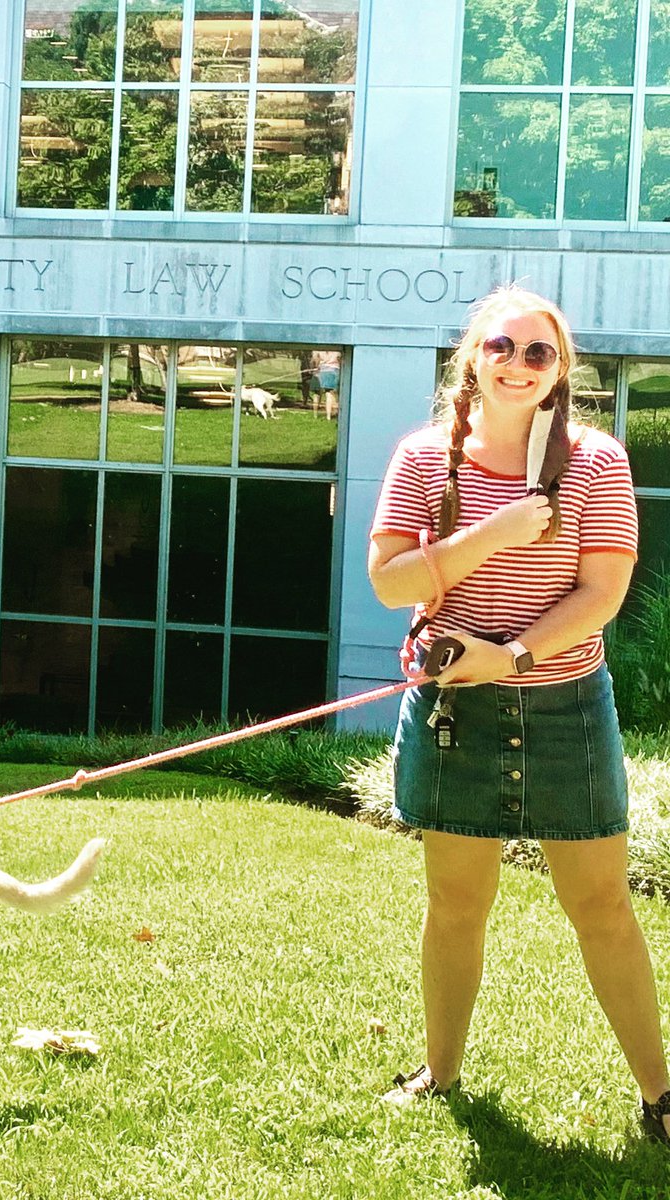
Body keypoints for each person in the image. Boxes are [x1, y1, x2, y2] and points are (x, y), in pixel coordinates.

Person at [367, 284, 670, 1142]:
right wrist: (491, 535)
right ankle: (441, 1073)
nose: (517, 365)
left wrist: (515, 655)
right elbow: (391, 581)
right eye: (501, 347)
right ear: (473, 355)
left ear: (559, 371)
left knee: (603, 904)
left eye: (539, 353)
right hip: (452, 711)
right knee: (456, 904)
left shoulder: (597, 462)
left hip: (566, 706)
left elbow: (602, 593)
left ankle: (662, 1095)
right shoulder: (426, 459)